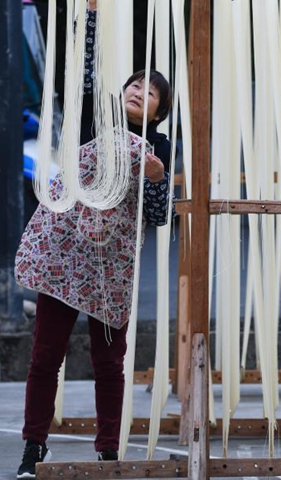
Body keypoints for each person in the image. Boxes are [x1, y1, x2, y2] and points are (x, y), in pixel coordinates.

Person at [14, 1, 173, 477]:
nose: (139, 91)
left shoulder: (159, 149)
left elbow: (158, 216)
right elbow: (85, 73)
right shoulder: (94, 120)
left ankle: (107, 451)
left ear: (160, 112)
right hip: (64, 254)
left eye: (152, 93)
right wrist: (92, 19)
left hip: (110, 264)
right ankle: (32, 449)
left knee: (109, 362)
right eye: (135, 84)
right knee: (45, 357)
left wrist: (157, 177)